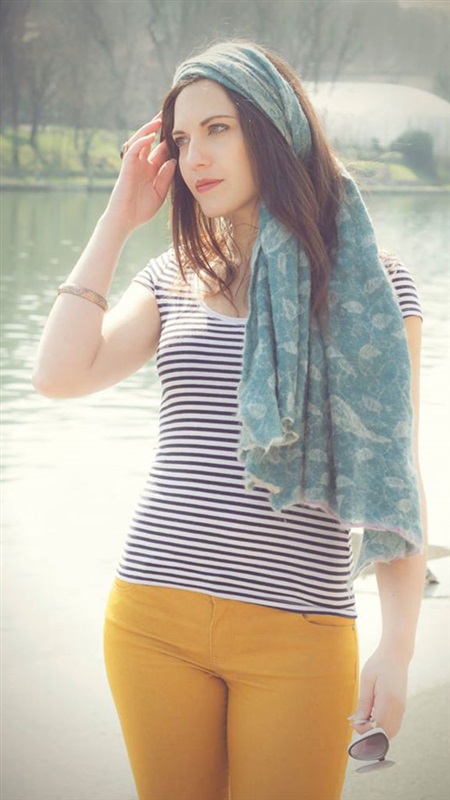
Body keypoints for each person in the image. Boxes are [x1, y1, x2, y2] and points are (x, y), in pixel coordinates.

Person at [33, 40, 427, 800]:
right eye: (182, 139)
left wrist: (398, 646)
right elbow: (58, 375)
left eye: (219, 129)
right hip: (153, 612)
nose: (195, 158)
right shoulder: (176, 276)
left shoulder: (373, 288)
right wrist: (117, 220)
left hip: (299, 628)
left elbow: (395, 475)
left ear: (275, 130)